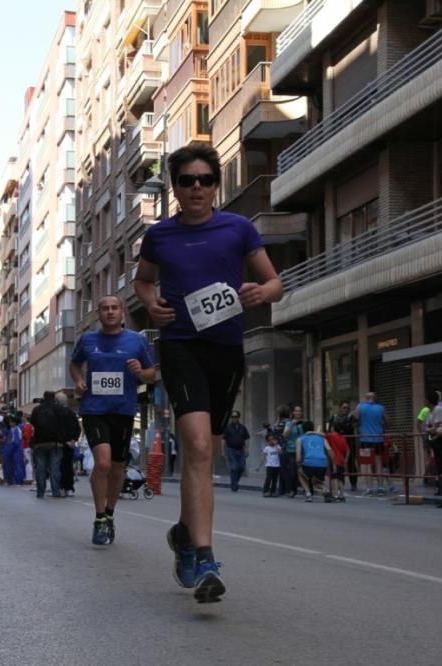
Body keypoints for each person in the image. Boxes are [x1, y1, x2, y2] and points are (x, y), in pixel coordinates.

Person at [134, 142, 282, 603]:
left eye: (205, 179)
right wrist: (151, 303)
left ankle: (183, 532)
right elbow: (143, 279)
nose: (196, 188)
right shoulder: (159, 235)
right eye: (187, 180)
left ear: (216, 185)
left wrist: (263, 293)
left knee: (208, 452)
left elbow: (275, 281)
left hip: (226, 349)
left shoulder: (237, 228)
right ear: (175, 188)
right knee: (196, 445)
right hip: (181, 346)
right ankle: (204, 557)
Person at [69, 294, 155, 544]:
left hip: (123, 410)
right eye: (104, 308)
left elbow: (152, 373)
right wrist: (79, 381)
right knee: (103, 463)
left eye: (114, 308)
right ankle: (98, 518)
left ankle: (109, 514)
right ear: (98, 313)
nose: (109, 312)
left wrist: (141, 371)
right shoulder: (87, 340)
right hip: (94, 409)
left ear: (122, 313)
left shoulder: (136, 341)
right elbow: (74, 365)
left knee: (118, 468)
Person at [29, 390, 79, 500]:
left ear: (44, 397)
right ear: (53, 398)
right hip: (56, 443)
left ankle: (40, 492)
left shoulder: (37, 409)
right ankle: (56, 491)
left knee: (41, 468)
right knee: (55, 467)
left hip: (39, 443)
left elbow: (33, 422)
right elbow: (63, 425)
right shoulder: (60, 409)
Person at [354, 393, 389, 495]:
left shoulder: (361, 407)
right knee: (378, 463)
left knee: (367, 464)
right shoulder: (381, 408)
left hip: (365, 439)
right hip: (378, 439)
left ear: (366, 398)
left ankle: (369, 488)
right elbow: (387, 422)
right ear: (375, 399)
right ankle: (380, 488)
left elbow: (355, 419)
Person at [296, 422, 333, 502]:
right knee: (315, 481)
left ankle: (308, 494)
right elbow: (329, 449)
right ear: (313, 428)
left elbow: (298, 458)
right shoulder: (322, 438)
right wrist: (332, 463)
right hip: (322, 463)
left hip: (308, 462)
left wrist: (299, 466)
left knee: (300, 474)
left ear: (302, 429)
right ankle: (325, 490)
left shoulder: (300, 439)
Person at [328, 400, 358, 491]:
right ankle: (341, 483)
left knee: (351, 463)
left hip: (349, 443)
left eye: (347, 408)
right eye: (344, 407)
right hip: (338, 444)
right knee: (339, 464)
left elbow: (355, 427)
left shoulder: (351, 417)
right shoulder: (334, 417)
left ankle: (353, 483)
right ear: (340, 408)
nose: (346, 409)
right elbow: (331, 429)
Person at [55, 391, 80, 497]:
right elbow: (77, 428)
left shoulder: (56, 413)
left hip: (59, 443)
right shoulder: (72, 413)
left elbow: (56, 428)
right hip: (70, 443)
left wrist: (64, 440)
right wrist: (73, 440)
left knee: (58, 465)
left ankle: (60, 486)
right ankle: (68, 487)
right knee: (68, 465)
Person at [222, 410, 250, 492]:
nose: (234, 418)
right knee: (234, 467)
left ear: (238, 417)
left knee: (241, 467)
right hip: (231, 449)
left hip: (241, 450)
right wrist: (222, 451)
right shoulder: (228, 428)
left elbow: (246, 439)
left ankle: (235, 482)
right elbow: (223, 439)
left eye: (235, 417)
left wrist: (247, 449)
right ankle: (234, 485)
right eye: (232, 417)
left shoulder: (243, 428)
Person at [325, 426, 350, 502]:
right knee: (340, 478)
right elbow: (348, 450)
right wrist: (346, 460)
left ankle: (335, 494)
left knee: (334, 478)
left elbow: (323, 435)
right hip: (342, 460)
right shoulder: (342, 438)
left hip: (335, 460)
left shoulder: (332, 436)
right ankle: (342, 495)